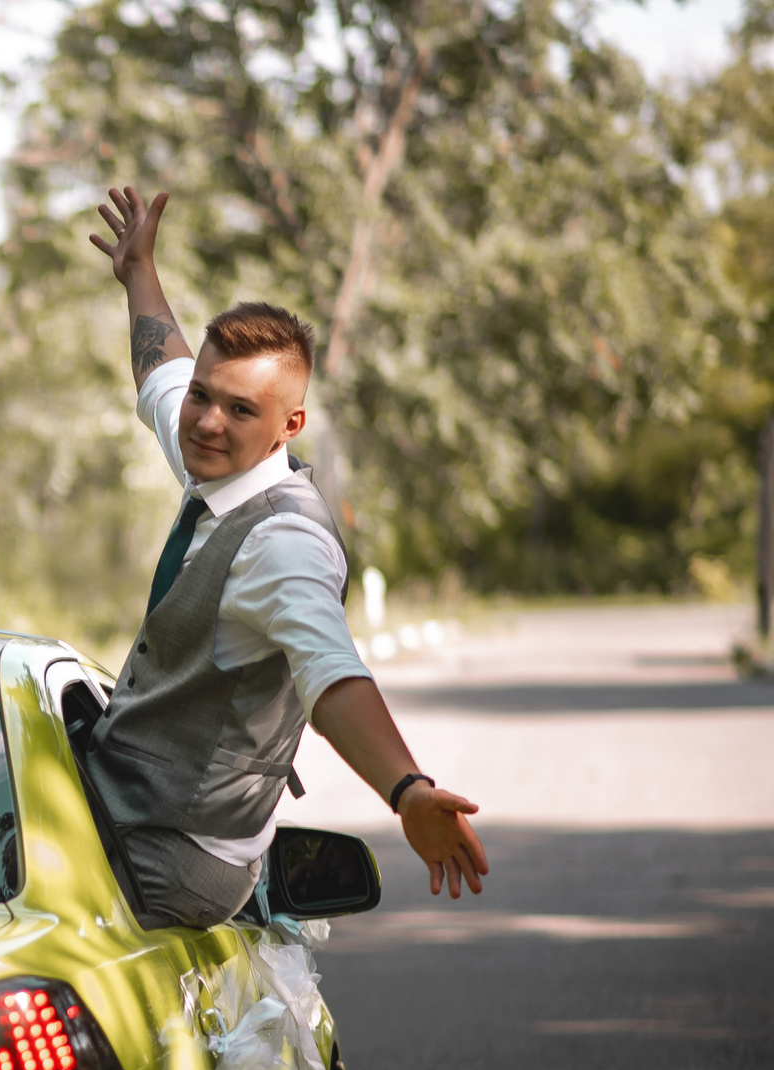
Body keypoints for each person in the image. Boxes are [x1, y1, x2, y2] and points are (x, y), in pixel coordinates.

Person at [83, 185, 488, 930]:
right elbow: (161, 369)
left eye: (240, 409)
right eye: (205, 395)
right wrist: (139, 269)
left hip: (179, 855)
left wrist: (407, 790)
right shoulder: (219, 457)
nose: (206, 421)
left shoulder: (283, 543)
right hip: (139, 808)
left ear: (288, 424)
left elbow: (330, 677)